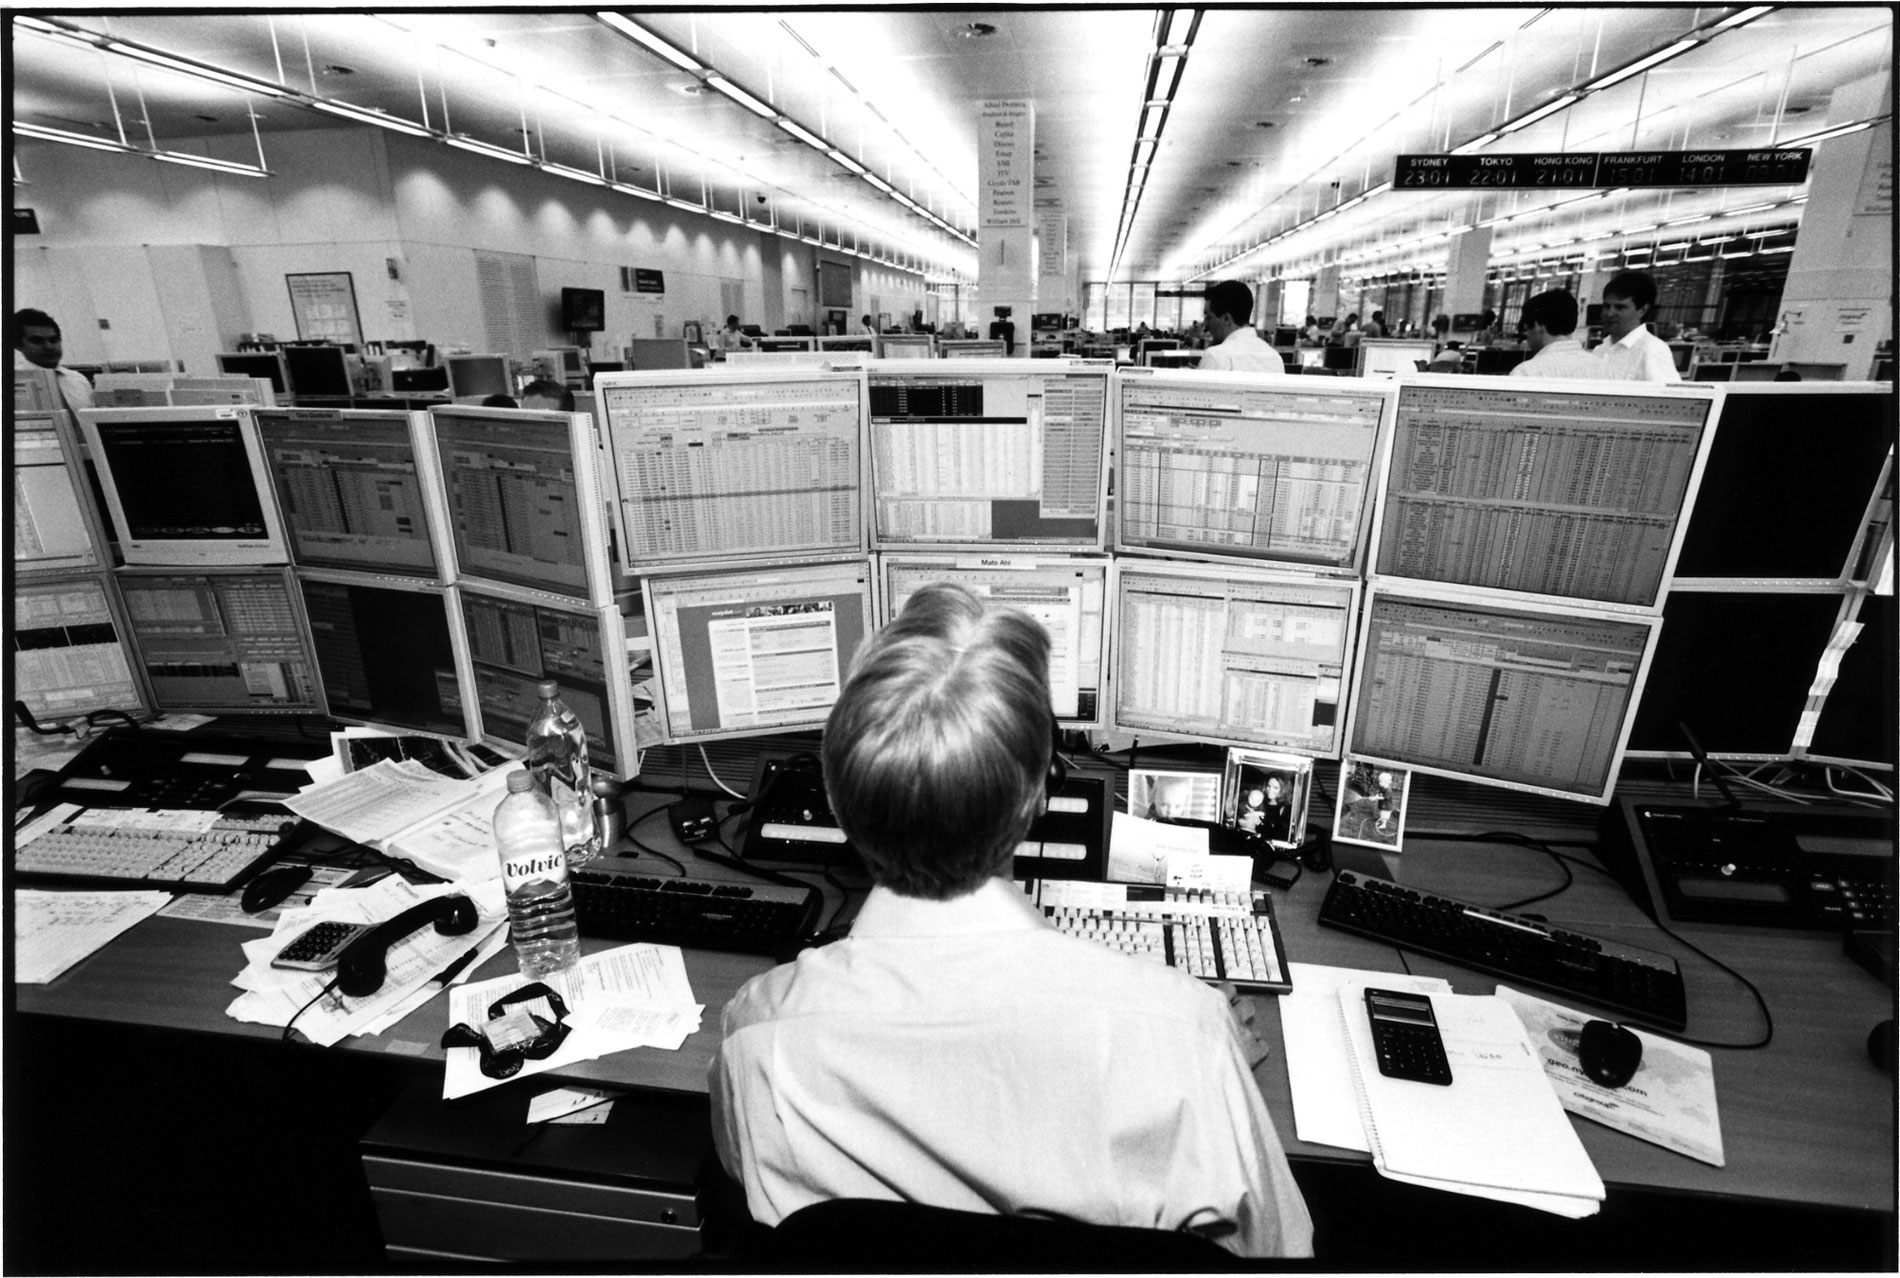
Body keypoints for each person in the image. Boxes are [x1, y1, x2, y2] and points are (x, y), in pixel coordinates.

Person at [709, 584, 1313, 1258]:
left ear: (835, 798)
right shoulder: (1183, 1035)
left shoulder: (756, 1036)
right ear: (1035, 796)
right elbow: (1280, 1253)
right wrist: (1211, 1068)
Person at [1593, 270, 1679, 382]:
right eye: (1607, 306)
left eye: (1620, 307)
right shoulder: (1601, 349)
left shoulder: (1652, 350)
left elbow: (1670, 397)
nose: (1609, 313)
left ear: (1642, 310)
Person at [12, 308, 94, 412]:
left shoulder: (77, 379)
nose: (48, 347)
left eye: (53, 340)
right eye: (37, 341)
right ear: (18, 345)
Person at [1510, 290, 1605, 379]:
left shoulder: (1526, 373)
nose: (1527, 339)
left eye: (1526, 330)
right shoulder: (1604, 368)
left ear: (1537, 326)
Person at [1197, 281, 1284, 374]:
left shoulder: (1216, 357)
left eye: (1209, 317)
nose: (1205, 324)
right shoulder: (1275, 358)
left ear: (1226, 319)